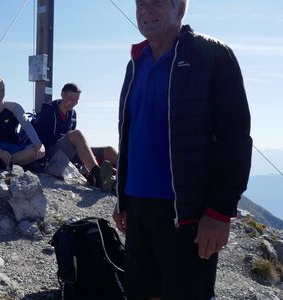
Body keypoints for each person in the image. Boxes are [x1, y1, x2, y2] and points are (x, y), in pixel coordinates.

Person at [112, 0, 252, 299]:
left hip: (187, 215)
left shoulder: (211, 55)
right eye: (140, 3)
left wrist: (219, 212)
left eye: (157, 3)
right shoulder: (136, 62)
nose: (145, 10)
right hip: (138, 208)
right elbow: (130, 134)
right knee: (141, 293)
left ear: (180, 9)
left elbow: (235, 137)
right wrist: (122, 197)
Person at [33, 83, 118, 191]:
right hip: (51, 156)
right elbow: (44, 138)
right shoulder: (48, 110)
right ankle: (97, 176)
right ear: (62, 94)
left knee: (108, 150)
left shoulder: (72, 114)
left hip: (69, 152)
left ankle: (129, 173)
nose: (74, 103)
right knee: (76, 134)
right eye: (71, 99)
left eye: (77, 100)